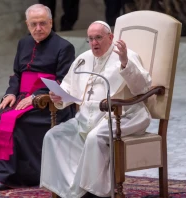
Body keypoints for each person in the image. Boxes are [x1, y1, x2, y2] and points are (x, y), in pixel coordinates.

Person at [0, 4, 76, 191]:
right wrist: (10, 93)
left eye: (43, 23)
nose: (38, 28)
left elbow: (64, 81)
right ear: (27, 25)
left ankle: (5, 177)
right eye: (33, 24)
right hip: (21, 97)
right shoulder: (23, 43)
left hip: (49, 104)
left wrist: (37, 96)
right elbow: (17, 75)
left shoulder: (64, 47)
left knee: (17, 122)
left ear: (51, 23)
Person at [40, 21, 152, 198]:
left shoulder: (127, 56)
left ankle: (95, 194)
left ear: (111, 37)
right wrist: (59, 96)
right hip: (86, 118)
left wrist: (124, 63)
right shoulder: (83, 59)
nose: (94, 43)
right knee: (53, 136)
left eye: (98, 38)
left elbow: (142, 88)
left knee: (94, 138)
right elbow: (69, 86)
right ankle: (68, 191)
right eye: (90, 39)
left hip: (123, 115)